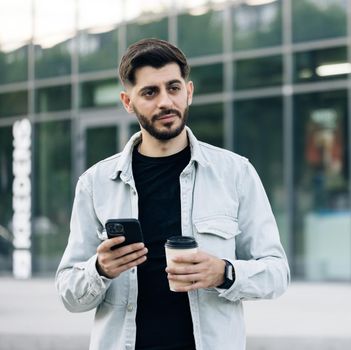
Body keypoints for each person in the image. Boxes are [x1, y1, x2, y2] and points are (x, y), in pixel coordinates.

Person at [55, 38, 290, 350]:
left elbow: (277, 272)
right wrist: (99, 270)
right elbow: (69, 293)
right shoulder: (95, 183)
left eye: (174, 88)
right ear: (128, 102)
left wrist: (224, 272)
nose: (165, 101)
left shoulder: (236, 173)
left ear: (188, 92)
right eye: (150, 92)